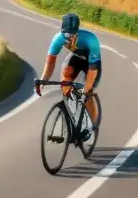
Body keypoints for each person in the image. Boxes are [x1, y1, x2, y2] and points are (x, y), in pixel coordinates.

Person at [34, 12, 101, 140]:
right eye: (66, 35)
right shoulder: (58, 39)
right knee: (65, 83)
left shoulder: (91, 40)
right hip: (75, 58)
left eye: (72, 35)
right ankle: (72, 116)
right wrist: (43, 80)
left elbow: (93, 70)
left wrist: (86, 90)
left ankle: (90, 126)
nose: (69, 39)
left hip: (91, 64)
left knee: (88, 93)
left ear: (77, 33)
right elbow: (50, 63)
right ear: (61, 32)